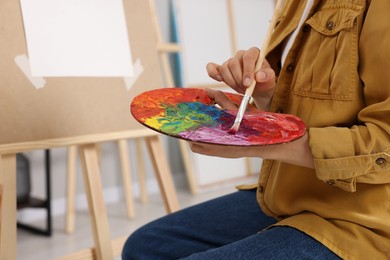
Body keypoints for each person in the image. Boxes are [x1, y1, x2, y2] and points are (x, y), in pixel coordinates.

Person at [122, 0, 390, 259]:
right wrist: (267, 95)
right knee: (145, 246)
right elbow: (319, 109)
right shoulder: (293, 4)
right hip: (289, 191)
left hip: (361, 220)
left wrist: (265, 141)